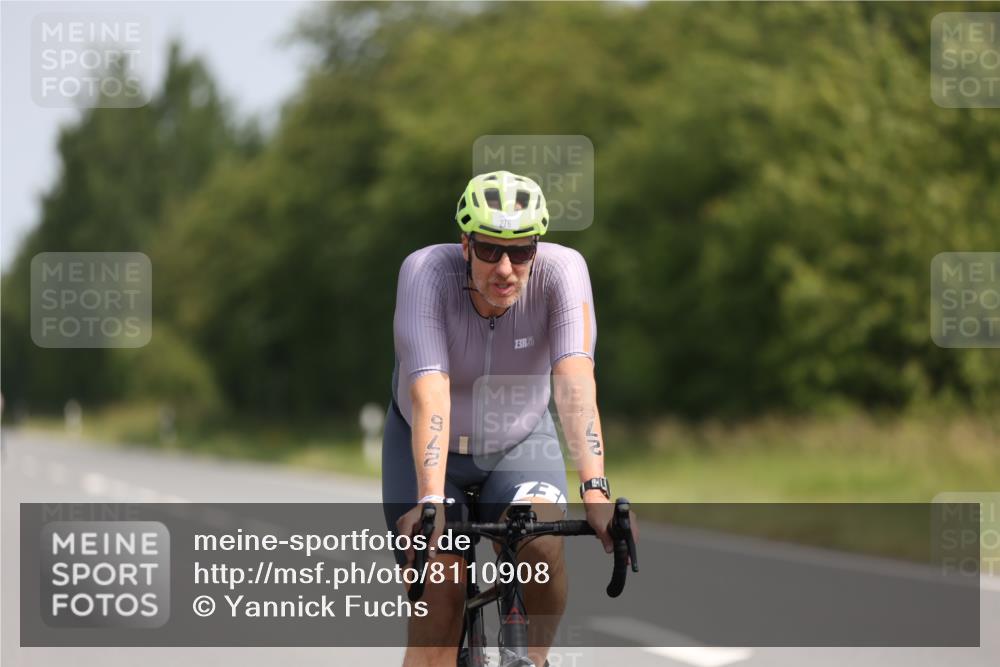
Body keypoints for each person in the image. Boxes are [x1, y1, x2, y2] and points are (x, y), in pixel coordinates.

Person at [383, 171, 631, 667]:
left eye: (520, 252)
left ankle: (534, 660)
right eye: (489, 249)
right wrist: (430, 499)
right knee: (442, 589)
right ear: (465, 245)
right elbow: (432, 393)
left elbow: (575, 384)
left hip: (520, 440)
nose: (505, 268)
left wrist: (596, 490)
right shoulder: (425, 274)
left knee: (539, 548)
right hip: (430, 447)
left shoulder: (564, 272)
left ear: (536, 249)